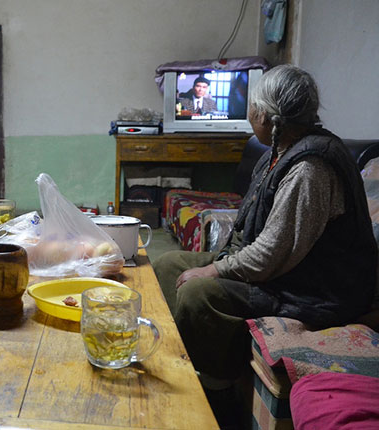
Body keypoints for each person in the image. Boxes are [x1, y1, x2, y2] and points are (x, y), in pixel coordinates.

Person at [154, 64, 377, 423]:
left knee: (199, 293)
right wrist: (219, 260)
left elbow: (272, 254)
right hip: (280, 271)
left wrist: (214, 269)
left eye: (254, 108)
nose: (250, 114)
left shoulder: (310, 169)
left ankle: (216, 392)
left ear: (269, 118)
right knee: (167, 266)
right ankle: (182, 357)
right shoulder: (279, 150)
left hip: (310, 289)